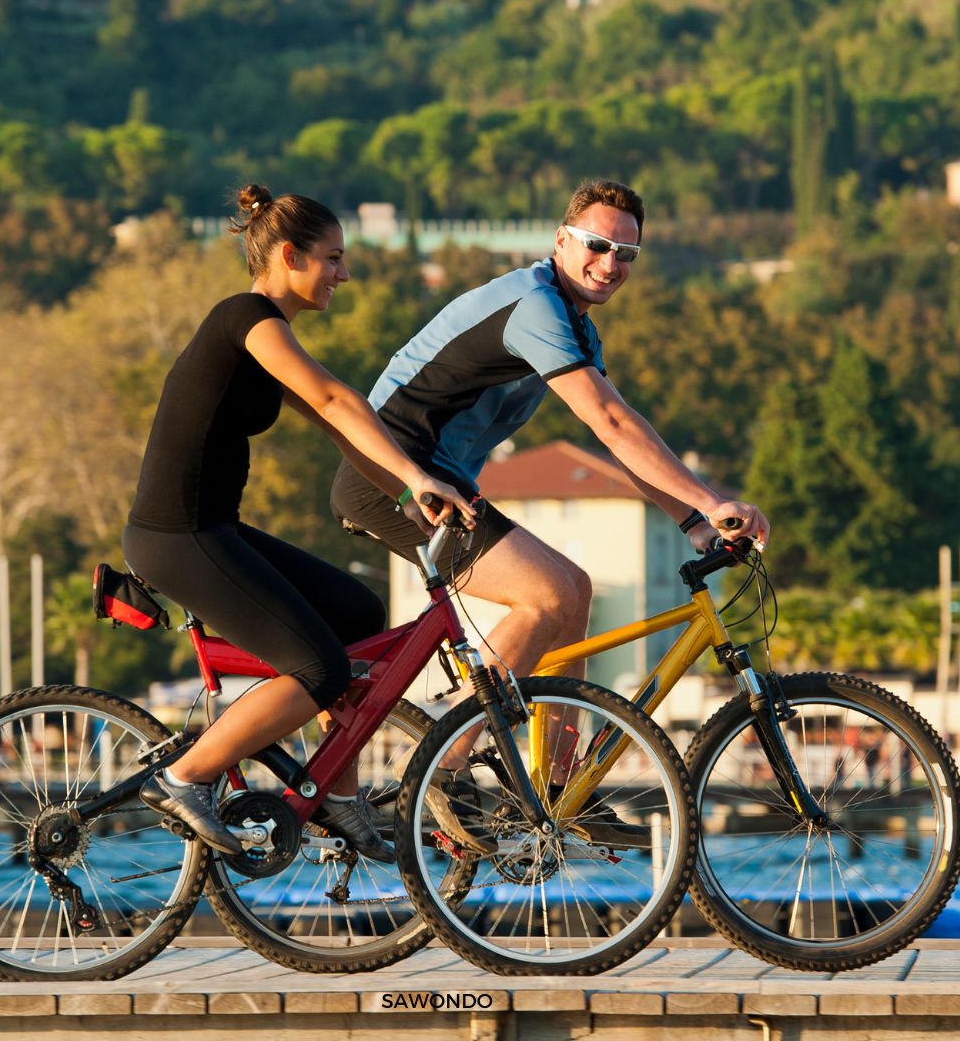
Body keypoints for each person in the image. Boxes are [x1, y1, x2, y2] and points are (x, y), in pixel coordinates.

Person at [331, 178, 770, 852]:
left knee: (575, 594)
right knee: (547, 594)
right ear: (561, 240)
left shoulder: (573, 327)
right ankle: (443, 767)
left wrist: (692, 521)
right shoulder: (533, 303)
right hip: (391, 476)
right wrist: (712, 501)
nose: (610, 264)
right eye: (597, 245)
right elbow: (614, 422)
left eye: (627, 254)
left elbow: (615, 439)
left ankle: (562, 787)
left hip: (439, 484)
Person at [123, 183, 474, 860]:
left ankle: (333, 794)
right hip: (178, 536)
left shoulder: (265, 335)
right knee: (320, 668)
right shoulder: (245, 318)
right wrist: (421, 477)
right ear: (289, 255)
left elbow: (343, 430)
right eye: (333, 258)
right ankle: (185, 775)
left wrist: (413, 496)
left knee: (357, 612)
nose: (344, 273)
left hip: (211, 529)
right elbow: (335, 395)